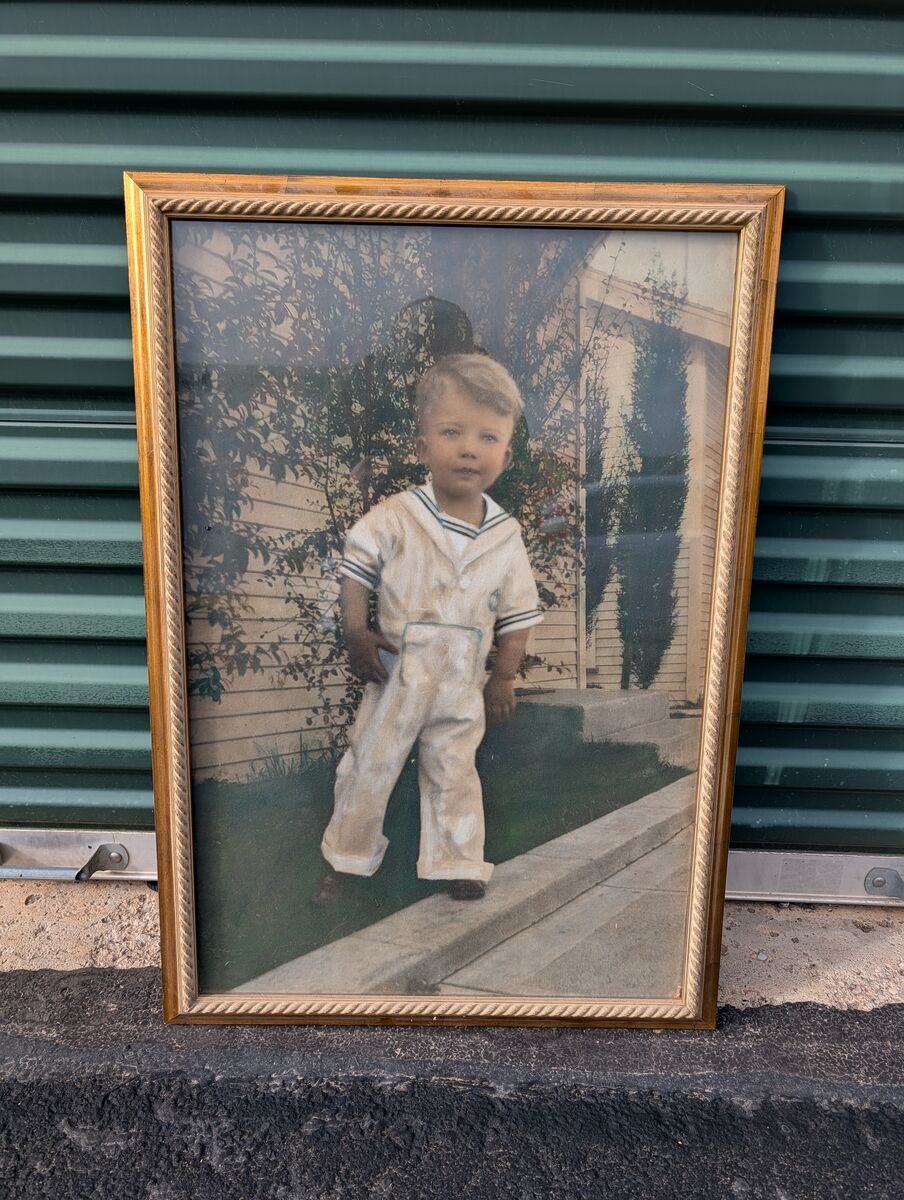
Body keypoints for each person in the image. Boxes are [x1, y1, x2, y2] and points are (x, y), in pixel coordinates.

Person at [317, 353, 543, 902]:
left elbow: (517, 613)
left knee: (454, 767)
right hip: (399, 663)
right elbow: (357, 568)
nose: (470, 448)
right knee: (371, 759)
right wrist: (355, 631)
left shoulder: (505, 535)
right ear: (423, 448)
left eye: (488, 437)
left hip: (463, 672)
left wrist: (504, 678)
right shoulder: (397, 515)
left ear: (506, 455)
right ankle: (347, 861)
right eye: (452, 432)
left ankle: (457, 861)